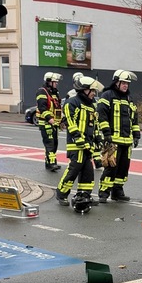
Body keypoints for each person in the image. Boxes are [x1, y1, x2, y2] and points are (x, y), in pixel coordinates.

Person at [56, 76, 105, 211]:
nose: (94, 93)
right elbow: (70, 123)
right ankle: (61, 194)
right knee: (74, 169)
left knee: (88, 172)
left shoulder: (91, 105)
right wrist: (79, 139)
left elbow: (94, 125)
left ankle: (84, 195)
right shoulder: (72, 103)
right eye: (92, 91)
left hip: (88, 144)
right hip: (76, 144)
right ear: (84, 90)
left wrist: (98, 139)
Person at [97, 70, 141, 202]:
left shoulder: (129, 99)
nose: (126, 85)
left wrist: (136, 135)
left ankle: (117, 192)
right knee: (111, 167)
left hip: (127, 142)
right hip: (113, 141)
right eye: (123, 83)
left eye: (127, 83)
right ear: (116, 82)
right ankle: (104, 193)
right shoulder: (107, 96)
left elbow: (134, 119)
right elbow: (102, 116)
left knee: (123, 169)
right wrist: (107, 134)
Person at [36, 72, 63, 171]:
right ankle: (52, 164)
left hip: (54, 124)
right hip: (46, 123)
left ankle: (49, 162)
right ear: (48, 82)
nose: (56, 84)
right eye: (54, 82)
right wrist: (50, 119)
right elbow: (42, 107)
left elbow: (57, 108)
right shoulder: (42, 92)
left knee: (54, 144)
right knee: (50, 143)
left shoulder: (54, 93)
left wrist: (60, 121)